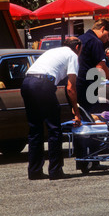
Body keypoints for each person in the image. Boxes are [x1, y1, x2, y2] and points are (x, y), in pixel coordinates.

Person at [21, 37, 82, 180]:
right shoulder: (72, 55)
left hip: (27, 82)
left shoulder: (53, 51)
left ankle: (34, 171)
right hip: (43, 84)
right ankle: (55, 170)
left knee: (35, 129)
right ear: (78, 47)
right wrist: (76, 112)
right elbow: (71, 88)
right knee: (54, 129)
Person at [77, 19, 109, 113]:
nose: (108, 39)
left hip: (75, 83)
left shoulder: (80, 38)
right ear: (102, 29)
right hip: (87, 85)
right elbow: (100, 67)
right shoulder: (96, 42)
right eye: (108, 35)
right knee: (91, 115)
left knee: (80, 115)